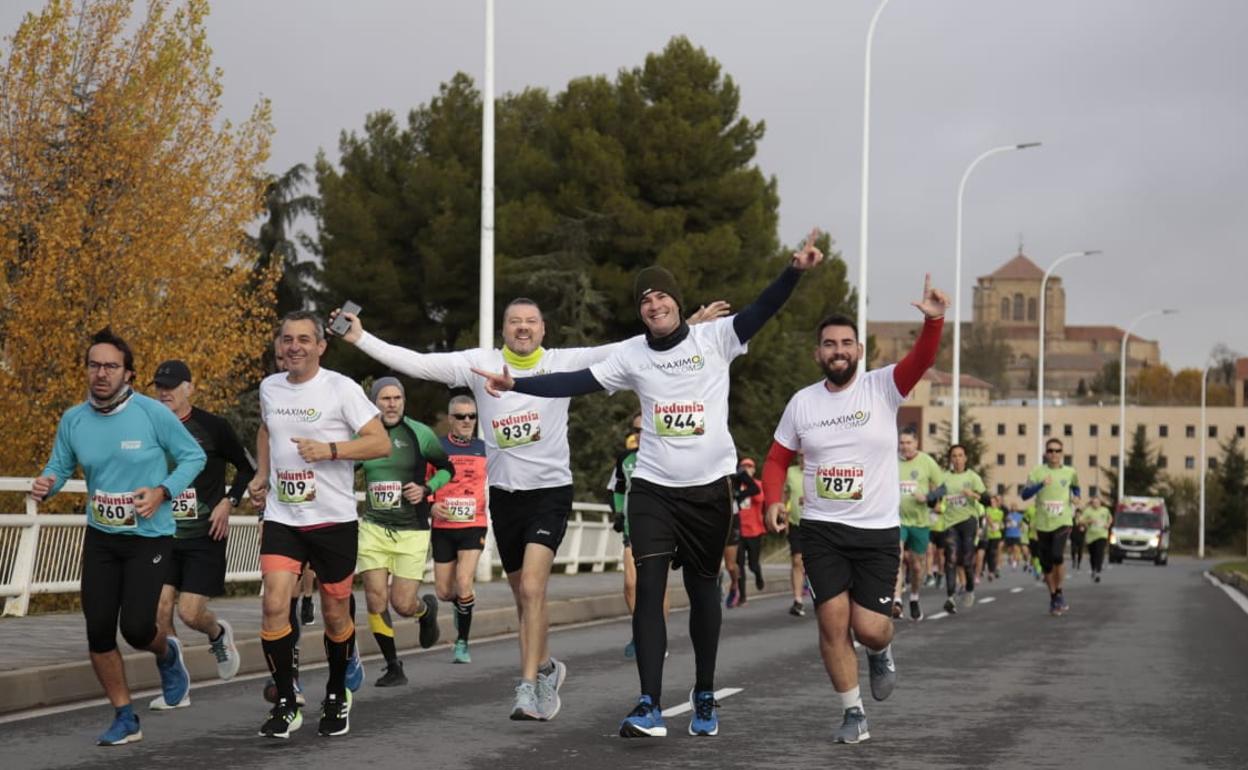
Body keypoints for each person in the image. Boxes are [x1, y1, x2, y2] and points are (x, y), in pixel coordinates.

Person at [473, 233, 825, 738]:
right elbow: (576, 382)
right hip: (654, 488)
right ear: (641, 313)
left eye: (660, 296)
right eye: (644, 299)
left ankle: (703, 692)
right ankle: (648, 705)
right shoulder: (633, 355)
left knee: (704, 592)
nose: (653, 303)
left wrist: (794, 270)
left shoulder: (716, 338)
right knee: (649, 591)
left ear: (677, 304)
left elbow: (762, 309)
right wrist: (518, 384)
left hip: (707, 489)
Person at [335, 296, 727, 722]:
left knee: (533, 590)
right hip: (505, 496)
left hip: (551, 492)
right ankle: (546, 667)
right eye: (515, 322)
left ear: (543, 330)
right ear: (503, 329)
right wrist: (359, 337)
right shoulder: (478, 362)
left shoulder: (563, 361)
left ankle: (526, 689)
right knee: (524, 600)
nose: (523, 328)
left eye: (531, 322)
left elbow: (630, 348)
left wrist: (686, 325)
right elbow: (415, 362)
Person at [760, 275, 947, 745]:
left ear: (859, 351)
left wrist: (934, 321)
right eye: (828, 344)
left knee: (870, 628)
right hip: (823, 528)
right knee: (832, 621)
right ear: (817, 354)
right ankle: (852, 712)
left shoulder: (883, 387)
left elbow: (922, 359)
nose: (837, 350)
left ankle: (880, 652)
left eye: (846, 343)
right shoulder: (803, 402)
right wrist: (772, 501)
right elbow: (777, 458)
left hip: (877, 531)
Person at [31, 328, 206, 746]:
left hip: (149, 535)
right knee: (98, 630)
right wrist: (46, 483)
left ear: (128, 373)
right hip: (102, 536)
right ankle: (124, 716)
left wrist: (162, 491)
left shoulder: (151, 413)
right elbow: (61, 464)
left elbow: (192, 456)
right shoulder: (74, 419)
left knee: (137, 626)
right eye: (94, 365)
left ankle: (168, 653)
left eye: (111, 366)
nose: (101, 373)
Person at [249, 311, 391, 739]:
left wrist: (329, 450)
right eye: (288, 339)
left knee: (334, 613)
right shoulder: (270, 387)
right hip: (283, 517)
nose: (294, 346)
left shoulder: (341, 388)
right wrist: (262, 474)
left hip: (333, 519)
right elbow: (267, 429)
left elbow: (379, 441)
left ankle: (336, 690)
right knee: (275, 603)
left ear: (320, 346)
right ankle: (289, 701)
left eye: (304, 339)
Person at [147, 360, 254, 710]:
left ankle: (217, 633)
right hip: (162, 534)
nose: (165, 393)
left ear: (189, 388)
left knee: (190, 614)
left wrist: (229, 502)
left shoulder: (213, 426)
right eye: (160, 387)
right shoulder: (147, 427)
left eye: (172, 386)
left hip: (205, 534)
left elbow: (246, 469)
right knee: (160, 611)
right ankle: (176, 686)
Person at [359, 377, 454, 687]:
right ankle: (392, 665)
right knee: (375, 599)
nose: (391, 403)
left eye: (396, 397)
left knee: (402, 604)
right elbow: (342, 468)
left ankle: (424, 611)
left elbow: (446, 468)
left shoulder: (420, 433)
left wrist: (427, 488)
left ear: (403, 401)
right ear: (374, 402)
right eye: (384, 398)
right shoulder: (363, 434)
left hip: (411, 529)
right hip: (373, 527)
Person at [432, 394, 491, 664]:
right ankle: (461, 604)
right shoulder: (436, 448)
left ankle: (462, 643)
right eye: (460, 416)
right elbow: (422, 482)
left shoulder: (485, 448)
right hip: (443, 525)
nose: (467, 421)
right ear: (449, 419)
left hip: (473, 524)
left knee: (464, 582)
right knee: (445, 592)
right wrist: (430, 505)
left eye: (471, 416)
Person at [1021, 438, 1081, 615]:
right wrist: (1040, 485)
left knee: (1057, 555)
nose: (1054, 454)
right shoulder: (1037, 472)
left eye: (1057, 451)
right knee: (1046, 564)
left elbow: (1076, 488)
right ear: (1046, 453)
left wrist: (1076, 497)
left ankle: (1060, 590)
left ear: (1062, 453)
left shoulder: (1070, 472)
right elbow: (1024, 495)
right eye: (1051, 451)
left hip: (1062, 521)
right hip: (1042, 523)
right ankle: (1054, 596)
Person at [930, 445, 988, 614]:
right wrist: (936, 502)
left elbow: (987, 499)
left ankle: (969, 588)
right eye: (954, 456)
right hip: (950, 524)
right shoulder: (944, 478)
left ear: (965, 458)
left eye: (960, 455)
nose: (957, 459)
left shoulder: (972, 477)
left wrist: (973, 495)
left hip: (968, 522)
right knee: (951, 559)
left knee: (967, 561)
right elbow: (935, 498)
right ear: (950, 459)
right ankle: (950, 597)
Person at [895, 428, 942, 621]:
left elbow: (943, 487)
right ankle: (896, 600)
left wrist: (928, 497)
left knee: (916, 566)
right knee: (895, 558)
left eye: (908, 443)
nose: (905, 447)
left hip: (920, 522)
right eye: (902, 443)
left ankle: (914, 597)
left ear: (916, 443)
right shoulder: (892, 461)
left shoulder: (927, 462)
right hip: (896, 519)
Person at [733, 458, 766, 607]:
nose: (746, 468)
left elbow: (760, 499)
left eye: (749, 466)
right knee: (739, 565)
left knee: (752, 564)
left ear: (753, 470)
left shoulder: (757, 485)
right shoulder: (737, 485)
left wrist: (746, 488)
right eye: (743, 466)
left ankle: (758, 575)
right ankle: (742, 596)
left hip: (755, 531)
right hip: (739, 531)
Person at [782, 455, 807, 616]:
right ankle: (798, 600)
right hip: (795, 522)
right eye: (799, 456)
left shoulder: (818, 469)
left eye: (805, 455)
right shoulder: (790, 472)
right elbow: (784, 495)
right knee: (796, 560)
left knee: (812, 563)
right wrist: (783, 516)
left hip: (816, 524)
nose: (802, 459)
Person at [1079, 496, 1112, 583]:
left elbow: (1110, 518)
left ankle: (1098, 571)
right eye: (1094, 503)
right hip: (1091, 536)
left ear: (1100, 503)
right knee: (1093, 554)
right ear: (1091, 503)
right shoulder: (1088, 511)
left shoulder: (1105, 510)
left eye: (1097, 503)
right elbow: (1080, 520)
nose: (1096, 504)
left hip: (1102, 535)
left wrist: (1108, 524)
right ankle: (1093, 569)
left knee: (1099, 552)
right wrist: (1089, 521)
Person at [1003, 505, 1023, 570]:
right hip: (1008, 534)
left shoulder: (1020, 516)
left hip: (1016, 534)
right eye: (1012, 506)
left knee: (1015, 548)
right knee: (1009, 549)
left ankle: (1014, 562)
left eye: (1014, 506)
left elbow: (1021, 524)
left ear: (1017, 508)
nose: (1013, 508)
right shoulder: (1008, 515)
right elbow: (1005, 523)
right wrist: (1007, 522)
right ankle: (1010, 557)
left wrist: (1018, 524)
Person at [1070, 504, 1087, 571]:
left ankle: (1079, 563)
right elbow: (1069, 527)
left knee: (1080, 551)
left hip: (1080, 538)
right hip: (1073, 537)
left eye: (1079, 513)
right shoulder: (1072, 519)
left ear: (1080, 514)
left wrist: (1083, 529)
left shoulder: (1083, 520)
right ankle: (1074, 560)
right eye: (1077, 513)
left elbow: (1085, 528)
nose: (1078, 514)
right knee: (1073, 550)